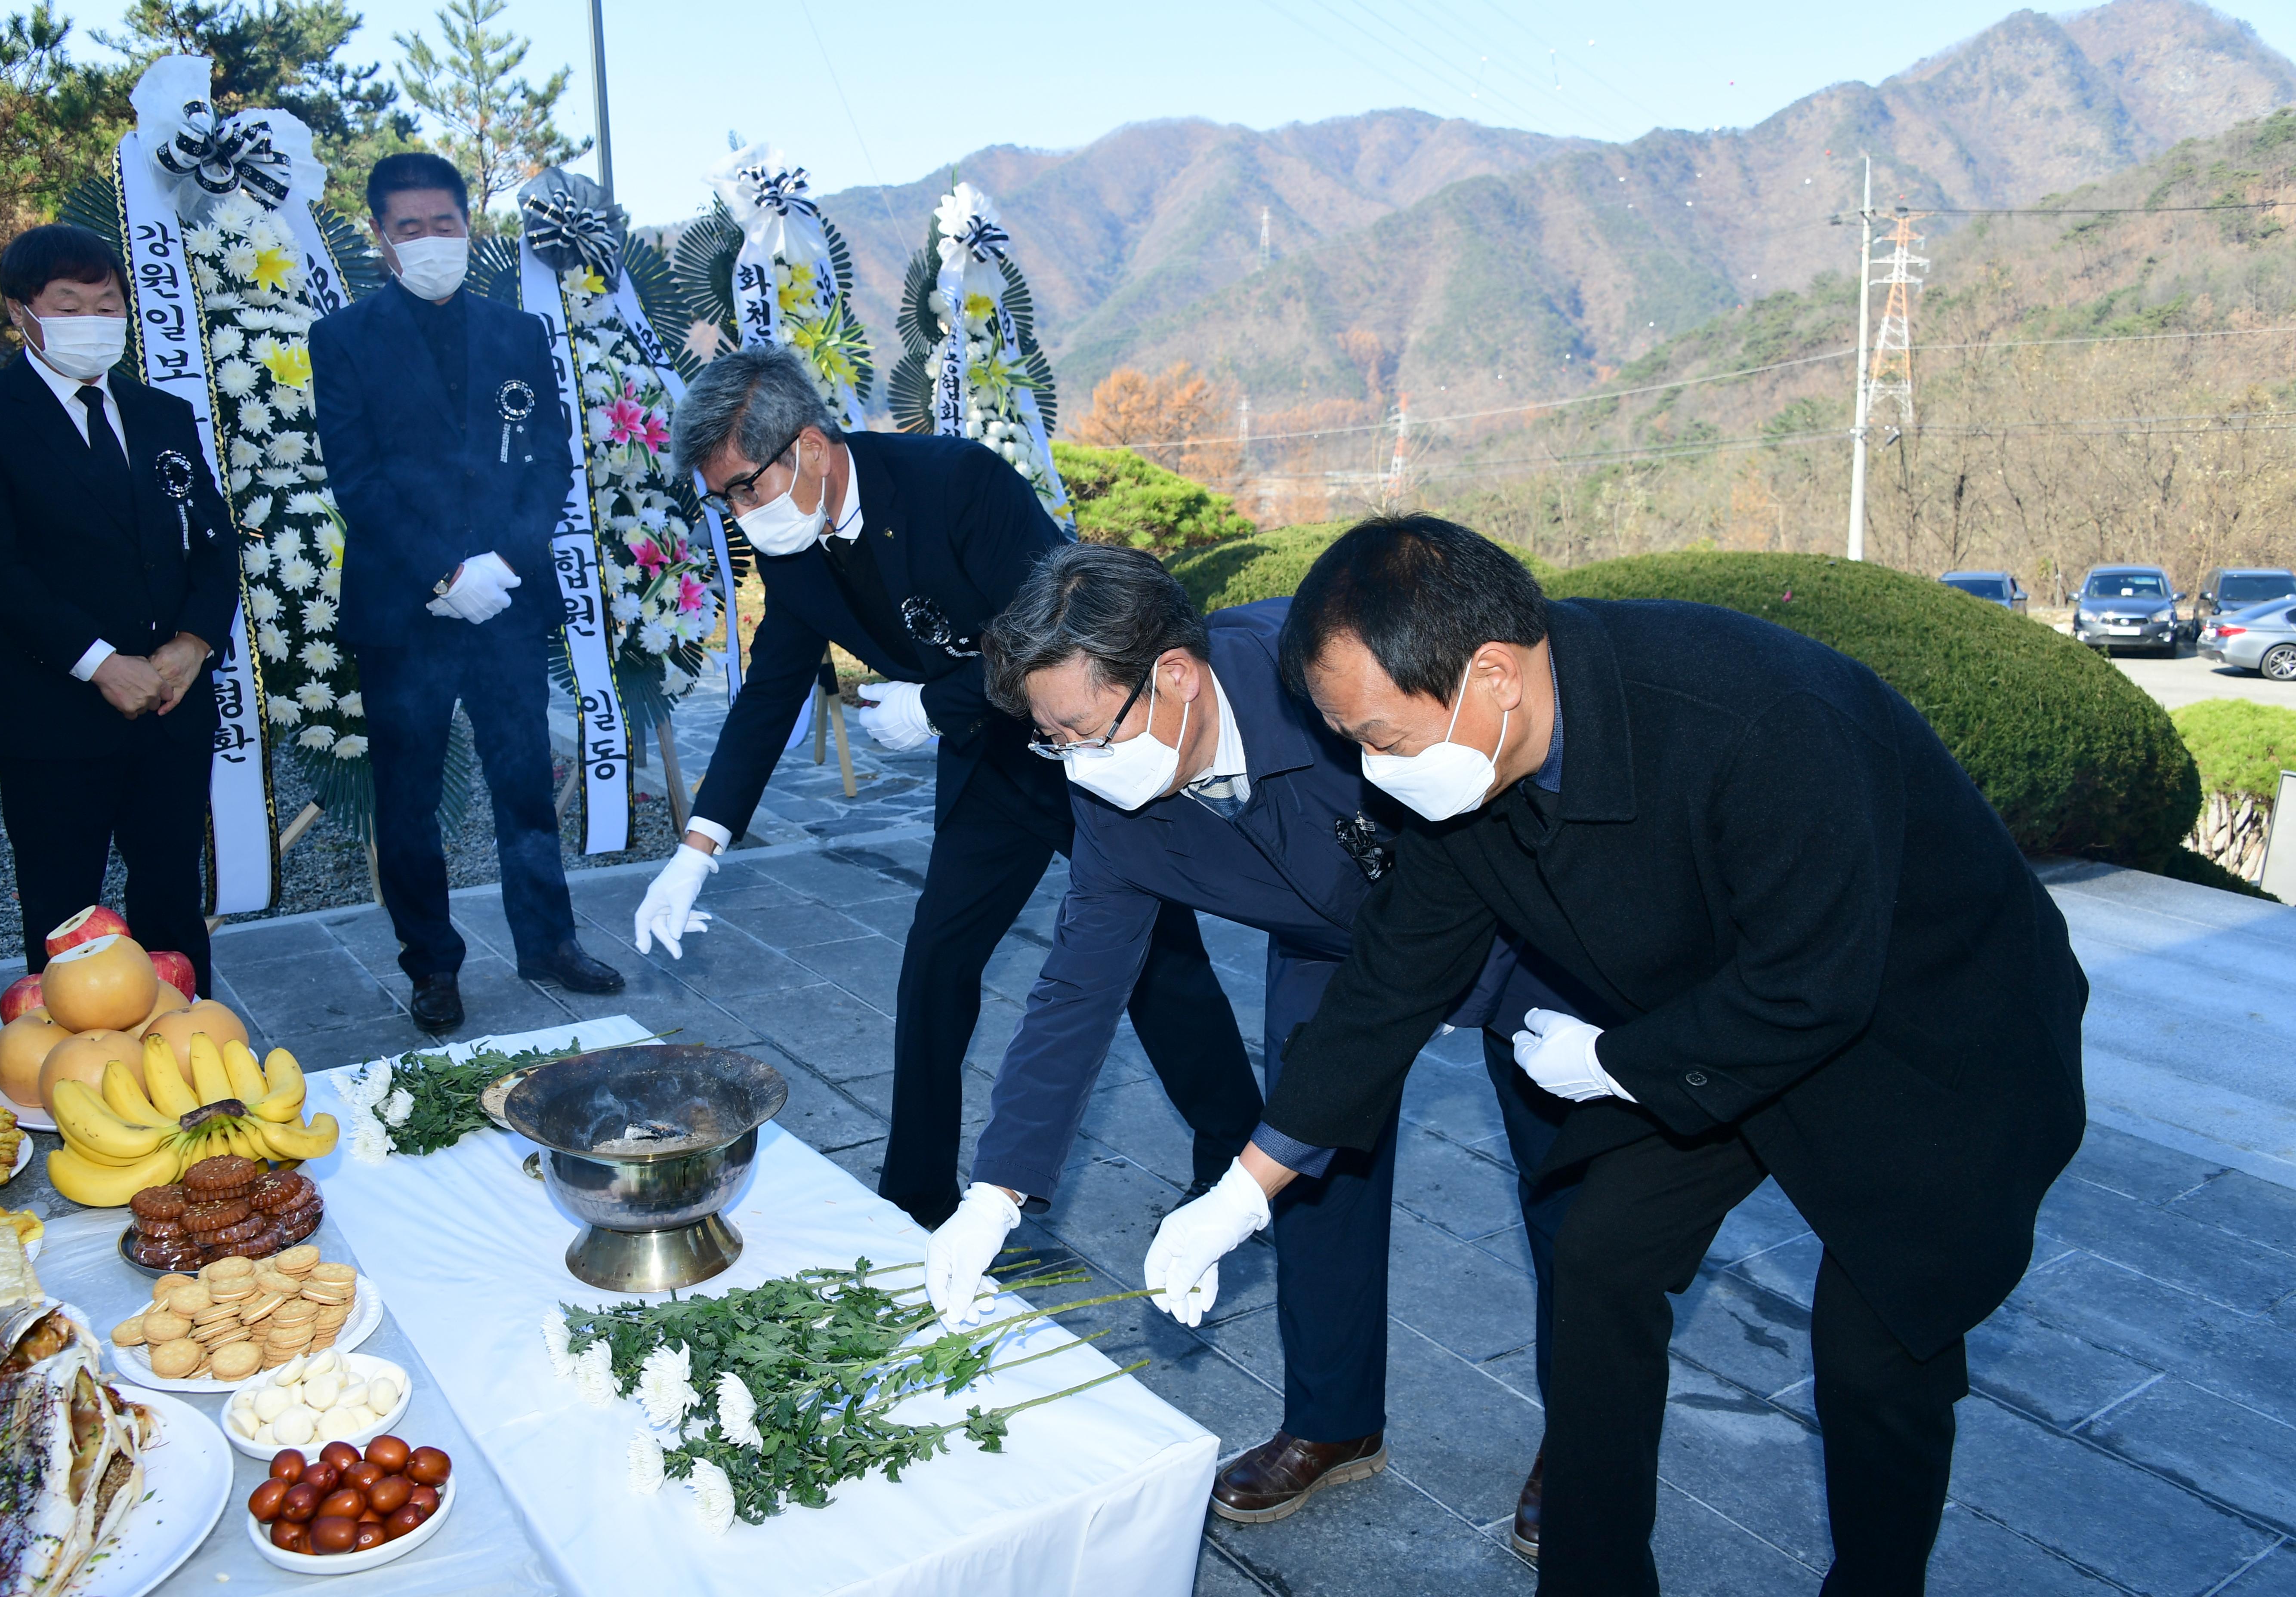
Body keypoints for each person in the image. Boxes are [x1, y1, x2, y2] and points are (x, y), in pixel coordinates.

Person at [1145, 515, 2089, 1595]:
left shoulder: (1760, 718)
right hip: (1709, 1021)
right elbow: (1384, 988)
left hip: (1929, 1034)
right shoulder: (1471, 771)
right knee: (1602, 1255)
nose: (1371, 772)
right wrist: (1245, 1192)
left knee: (1877, 1355)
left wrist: (1620, 1060)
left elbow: (1815, 987)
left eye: (1381, 738)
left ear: (1491, 674)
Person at [921, 543, 1582, 1546]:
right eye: (1052, 741)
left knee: (1568, 1186)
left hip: (1510, 919)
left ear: (1175, 677)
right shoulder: (1107, 784)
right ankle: (1333, 1418)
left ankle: (1584, 1437)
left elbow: (1500, 792)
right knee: (1306, 1178)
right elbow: (1078, 986)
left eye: (1082, 730)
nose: (1076, 761)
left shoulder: (1322, 676)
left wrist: (1472, 983)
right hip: (1326, 947)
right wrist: (995, 1191)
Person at [632, 348, 1259, 1229]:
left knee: (1159, 958)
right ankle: (917, 1196)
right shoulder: (797, 544)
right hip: (990, 765)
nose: (739, 513)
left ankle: (1236, 1154)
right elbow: (773, 683)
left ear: (809, 448)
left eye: (743, 487)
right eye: (723, 499)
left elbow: (1063, 644)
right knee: (936, 964)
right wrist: (697, 850)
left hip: (1086, 751)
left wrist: (935, 701)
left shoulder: (959, 484)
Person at [312, 152, 622, 1033]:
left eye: (444, 222)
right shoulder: (343, 339)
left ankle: (548, 941)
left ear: (467, 225)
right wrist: (447, 570)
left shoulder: (518, 334)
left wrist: (502, 566)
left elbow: (551, 460)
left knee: (524, 780)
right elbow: (358, 480)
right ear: (381, 238)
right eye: (409, 228)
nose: (430, 239)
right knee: (410, 799)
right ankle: (433, 965)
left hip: (509, 603)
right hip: (404, 606)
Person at [0, 224, 237, 990]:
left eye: (107, 301)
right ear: (19, 313)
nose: (93, 318)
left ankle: (188, 1052)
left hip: (171, 705)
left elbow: (214, 540)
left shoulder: (160, 413)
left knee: (170, 897)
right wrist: (101, 664)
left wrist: (195, 641)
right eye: (69, 302)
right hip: (52, 713)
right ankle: (82, 1073)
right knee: (66, 916)